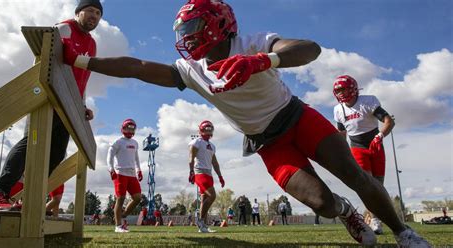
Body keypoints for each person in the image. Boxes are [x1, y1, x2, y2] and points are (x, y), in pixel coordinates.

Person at [63, 0, 430, 246]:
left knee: (356, 175)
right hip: (267, 142)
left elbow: (309, 48)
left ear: (217, 24)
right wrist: (83, 63)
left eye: (191, 26)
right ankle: (347, 213)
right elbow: (138, 68)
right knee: (320, 201)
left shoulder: (251, 41)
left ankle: (403, 232)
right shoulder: (190, 69)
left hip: (298, 117)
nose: (185, 37)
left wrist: (262, 60)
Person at [0, 0, 102, 211]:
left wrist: (81, 104)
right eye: (90, 11)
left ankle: (30, 195)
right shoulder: (64, 28)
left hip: (68, 104)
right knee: (32, 142)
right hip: (48, 95)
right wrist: (40, 87)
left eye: (98, 13)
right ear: (78, 12)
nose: (94, 16)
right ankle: (0, 192)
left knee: (57, 153)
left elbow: (83, 78)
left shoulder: (92, 43)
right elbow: (43, 56)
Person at [333, 74, 395, 235]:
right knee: (367, 185)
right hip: (357, 147)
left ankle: (380, 217)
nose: (340, 93)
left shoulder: (368, 101)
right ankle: (374, 220)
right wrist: (341, 152)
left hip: (375, 144)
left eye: (343, 89)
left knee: (378, 185)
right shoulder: (338, 110)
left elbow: (389, 121)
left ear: (353, 88)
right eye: (337, 90)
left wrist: (380, 136)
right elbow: (342, 133)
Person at [188, 120, 225, 233]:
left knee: (204, 199)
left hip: (209, 173)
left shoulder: (212, 146)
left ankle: (202, 226)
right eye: (206, 129)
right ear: (201, 130)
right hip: (200, 172)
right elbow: (191, 159)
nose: (208, 131)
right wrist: (191, 172)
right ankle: (200, 221)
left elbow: (215, 162)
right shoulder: (196, 142)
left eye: (210, 129)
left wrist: (220, 176)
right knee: (212, 195)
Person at [107, 118, 143, 233]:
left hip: (132, 174)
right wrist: (111, 169)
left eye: (132, 128)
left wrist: (139, 170)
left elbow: (136, 158)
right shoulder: (118, 142)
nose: (130, 130)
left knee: (137, 198)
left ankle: (123, 215)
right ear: (123, 128)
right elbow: (110, 156)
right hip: (120, 173)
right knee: (120, 198)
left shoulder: (135, 143)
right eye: (128, 127)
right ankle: (118, 226)